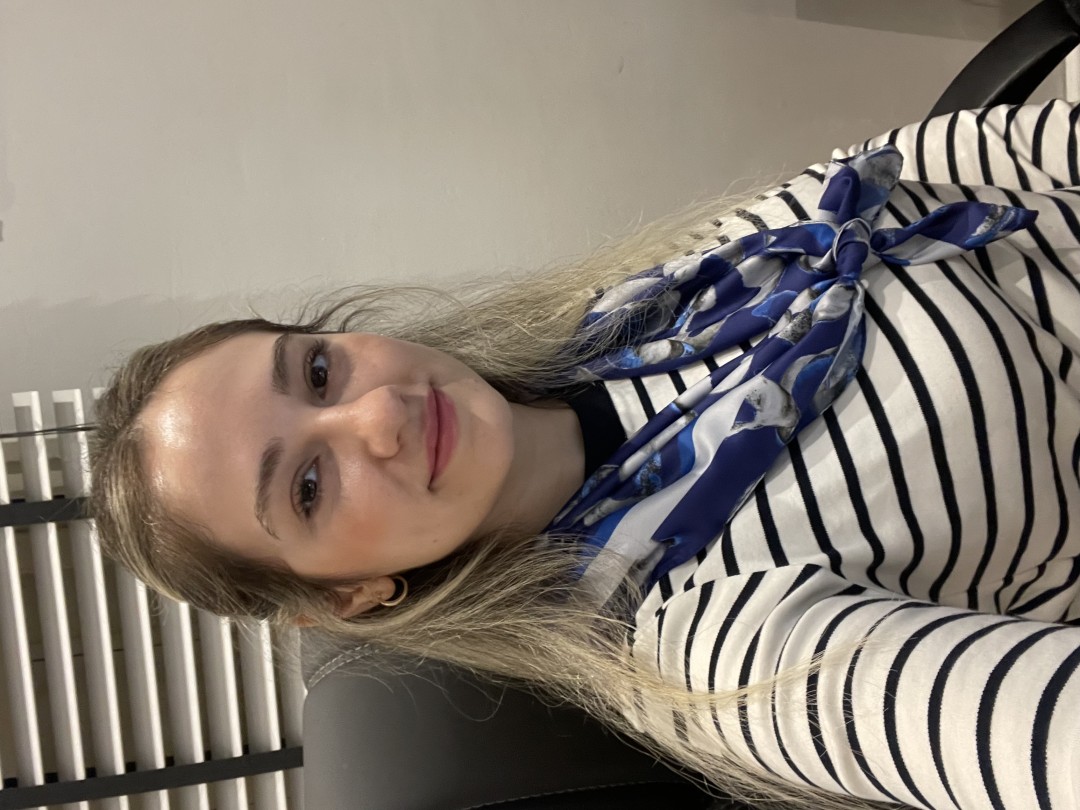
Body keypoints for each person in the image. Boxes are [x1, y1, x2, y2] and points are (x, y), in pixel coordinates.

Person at [90, 99, 1080, 810]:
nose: (377, 414)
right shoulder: (713, 643)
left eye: (316, 372)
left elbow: (929, 160)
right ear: (349, 595)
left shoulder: (629, 310)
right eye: (309, 485)